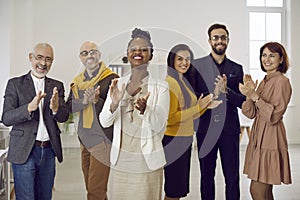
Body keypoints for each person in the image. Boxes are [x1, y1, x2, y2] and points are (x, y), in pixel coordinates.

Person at [99, 28, 169, 200]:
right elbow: (104, 122)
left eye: (144, 50)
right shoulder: (117, 84)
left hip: (147, 161)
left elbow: (160, 124)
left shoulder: (161, 87)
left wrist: (146, 110)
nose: (138, 53)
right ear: (128, 54)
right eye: (134, 49)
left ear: (151, 55)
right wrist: (114, 103)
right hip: (121, 159)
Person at [1, 43, 69, 200]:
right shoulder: (15, 84)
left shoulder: (57, 86)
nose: (43, 63)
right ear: (30, 58)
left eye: (48, 59)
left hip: (48, 151)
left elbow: (64, 117)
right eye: (39, 57)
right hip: (24, 151)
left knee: (45, 197)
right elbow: (6, 117)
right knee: (26, 197)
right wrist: (28, 108)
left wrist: (55, 108)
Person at [187, 23, 246, 200]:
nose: (219, 41)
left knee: (232, 177)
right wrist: (211, 96)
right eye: (216, 37)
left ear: (228, 40)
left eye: (223, 37)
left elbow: (242, 101)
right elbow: (192, 97)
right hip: (206, 130)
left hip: (230, 130)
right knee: (206, 176)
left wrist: (226, 90)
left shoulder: (237, 69)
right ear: (209, 40)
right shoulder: (196, 66)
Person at [163, 44, 222, 200]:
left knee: (178, 189)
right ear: (172, 61)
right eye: (180, 59)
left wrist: (205, 106)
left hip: (184, 139)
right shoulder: (171, 83)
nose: (184, 63)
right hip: (174, 140)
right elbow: (171, 118)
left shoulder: (182, 81)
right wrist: (199, 107)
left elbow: (191, 113)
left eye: (187, 59)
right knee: (173, 190)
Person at [239, 42, 292, 200]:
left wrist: (255, 96)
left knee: (257, 190)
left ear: (281, 59)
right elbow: (251, 113)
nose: (266, 59)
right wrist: (249, 94)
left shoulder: (282, 82)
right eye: (264, 55)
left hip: (271, 137)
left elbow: (274, 116)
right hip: (258, 135)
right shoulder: (265, 80)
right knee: (266, 192)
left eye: (272, 55)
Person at [67, 41, 118, 200]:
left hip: (102, 141)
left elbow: (116, 109)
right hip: (84, 139)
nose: (89, 55)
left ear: (99, 55)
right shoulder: (77, 82)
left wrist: (97, 100)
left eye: (93, 52)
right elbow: (70, 106)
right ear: (80, 58)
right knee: (92, 188)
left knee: (95, 191)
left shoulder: (111, 79)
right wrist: (84, 101)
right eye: (84, 53)